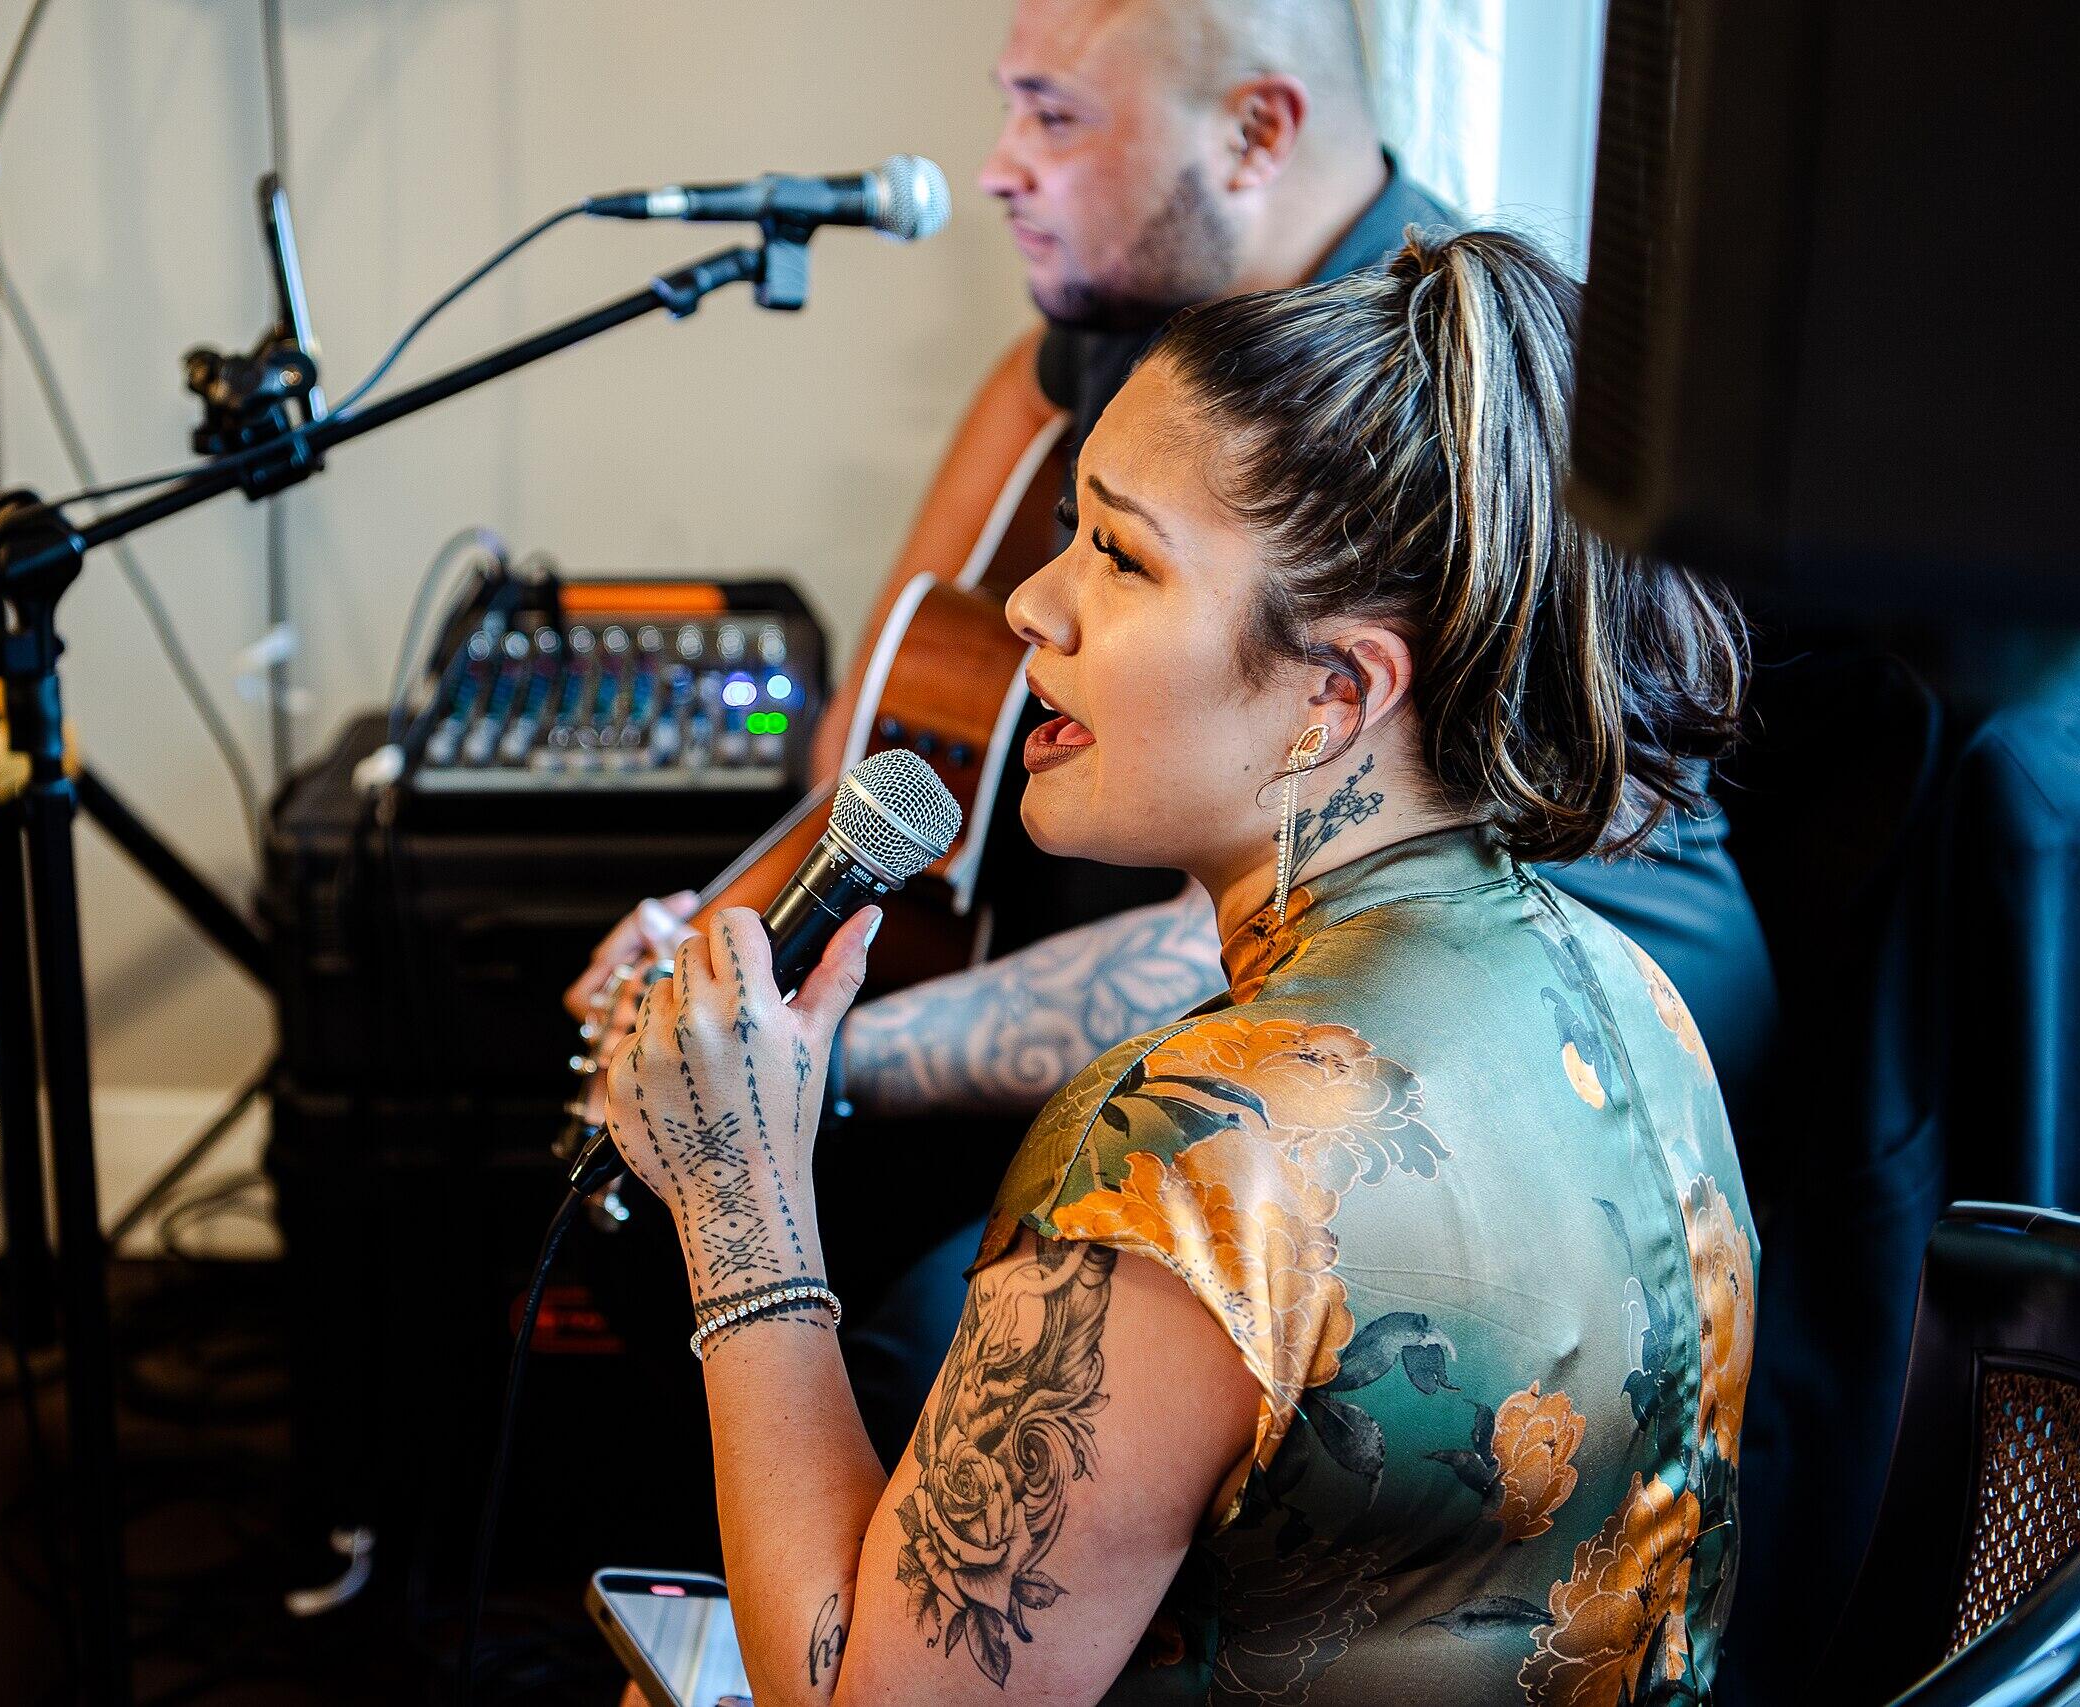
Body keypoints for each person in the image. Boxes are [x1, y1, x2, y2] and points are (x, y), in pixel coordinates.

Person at [605, 228, 1756, 1706]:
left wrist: (742, 1208)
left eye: (1120, 556)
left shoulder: (1185, 1172)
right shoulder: (1621, 991)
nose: (1033, 605)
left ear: (1335, 693)